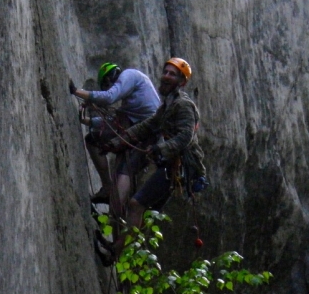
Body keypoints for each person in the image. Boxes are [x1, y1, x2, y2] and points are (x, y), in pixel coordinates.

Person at [105, 57, 207, 254]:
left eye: (173, 74)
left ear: (182, 82)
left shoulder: (183, 105)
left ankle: (115, 250)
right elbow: (148, 126)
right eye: (165, 72)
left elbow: (185, 137)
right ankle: (125, 252)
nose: (166, 77)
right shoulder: (168, 105)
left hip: (180, 167)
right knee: (148, 214)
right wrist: (116, 142)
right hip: (171, 165)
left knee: (136, 204)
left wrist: (161, 149)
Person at [69, 63, 160, 210]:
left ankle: (115, 209)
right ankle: (108, 191)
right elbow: (115, 121)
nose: (109, 86)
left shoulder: (130, 75)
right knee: (93, 140)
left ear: (111, 76)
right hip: (144, 134)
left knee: (124, 170)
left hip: (146, 134)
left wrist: (77, 92)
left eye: (107, 83)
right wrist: (87, 121)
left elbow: (109, 97)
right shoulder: (131, 100)